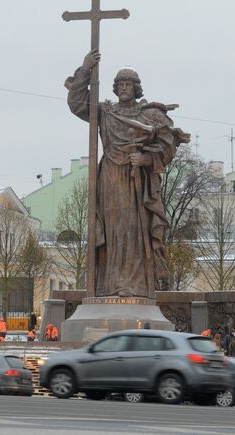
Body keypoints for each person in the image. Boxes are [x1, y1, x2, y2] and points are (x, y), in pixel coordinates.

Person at [65, 50, 191, 298]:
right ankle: (109, 285)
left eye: (128, 84)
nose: (124, 88)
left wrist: (146, 158)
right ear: (115, 88)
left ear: (136, 88)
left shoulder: (149, 115)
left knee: (134, 231)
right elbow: (77, 104)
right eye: (120, 84)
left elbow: (168, 146)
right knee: (113, 231)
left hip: (136, 180)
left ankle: (134, 286)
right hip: (110, 177)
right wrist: (85, 69)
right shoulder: (106, 112)